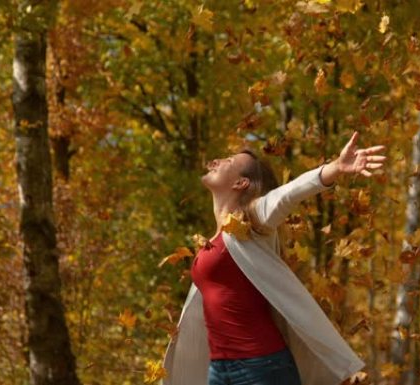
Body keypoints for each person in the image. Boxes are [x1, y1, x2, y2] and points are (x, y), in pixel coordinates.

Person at [162, 131, 387, 385]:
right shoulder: (210, 242)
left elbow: (289, 194)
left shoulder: (251, 221)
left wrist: (336, 167)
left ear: (241, 183)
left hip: (261, 366)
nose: (215, 161)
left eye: (227, 161)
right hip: (218, 368)